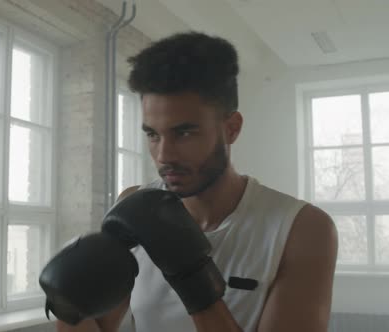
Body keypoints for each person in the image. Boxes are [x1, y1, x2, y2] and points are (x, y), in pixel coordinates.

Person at [53, 31, 338, 332]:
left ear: (231, 128)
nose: (164, 155)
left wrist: (196, 283)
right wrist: (69, 307)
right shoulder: (133, 207)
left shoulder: (303, 229)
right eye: (152, 134)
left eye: (184, 133)